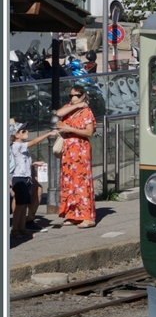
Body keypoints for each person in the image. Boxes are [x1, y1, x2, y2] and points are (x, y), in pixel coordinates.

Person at [54, 83, 98, 228]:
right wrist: (77, 105)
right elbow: (59, 113)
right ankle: (73, 214)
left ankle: (87, 216)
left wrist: (70, 129)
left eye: (77, 96)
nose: (73, 98)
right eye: (71, 95)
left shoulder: (86, 112)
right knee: (69, 182)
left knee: (81, 182)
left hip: (80, 149)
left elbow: (89, 132)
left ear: (83, 96)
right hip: (68, 151)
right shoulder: (70, 108)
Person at [10, 123, 48, 239]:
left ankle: (22, 228)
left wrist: (34, 163)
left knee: (25, 204)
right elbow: (34, 142)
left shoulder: (22, 147)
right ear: (16, 135)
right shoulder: (17, 146)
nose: (26, 131)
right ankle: (15, 229)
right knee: (20, 206)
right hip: (19, 178)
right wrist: (48, 134)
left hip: (26, 178)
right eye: (23, 131)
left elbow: (22, 161)